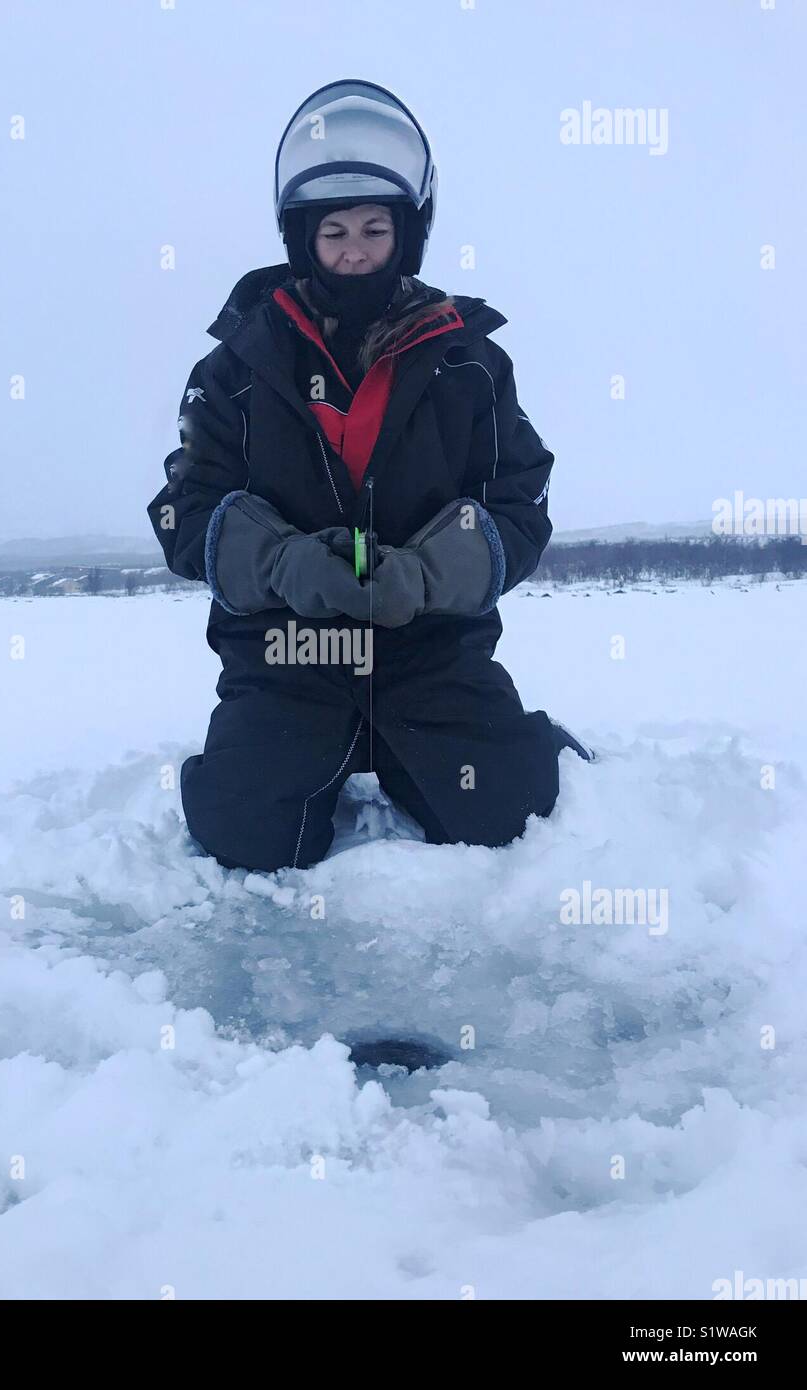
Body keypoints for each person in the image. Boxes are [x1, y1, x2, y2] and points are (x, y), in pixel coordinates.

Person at [148, 78, 593, 873]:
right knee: (249, 838)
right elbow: (183, 508)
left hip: (430, 651)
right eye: (335, 232)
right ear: (301, 239)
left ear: (407, 235)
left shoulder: (470, 364)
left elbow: (519, 499)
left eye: (373, 229)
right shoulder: (232, 369)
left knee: (504, 814)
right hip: (284, 654)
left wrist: (428, 574)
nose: (353, 249)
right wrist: (282, 562)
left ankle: (491, 740)